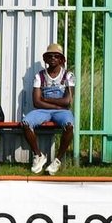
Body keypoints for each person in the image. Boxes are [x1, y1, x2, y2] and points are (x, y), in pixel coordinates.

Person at [22, 43, 76, 175]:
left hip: (61, 111)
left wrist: (45, 99)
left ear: (61, 59)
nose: (53, 58)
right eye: (50, 56)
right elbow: (36, 102)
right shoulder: (39, 76)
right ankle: (38, 155)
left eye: (56, 56)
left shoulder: (68, 75)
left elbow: (68, 101)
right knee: (26, 122)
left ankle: (57, 160)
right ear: (45, 59)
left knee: (69, 125)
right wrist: (57, 105)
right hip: (44, 110)